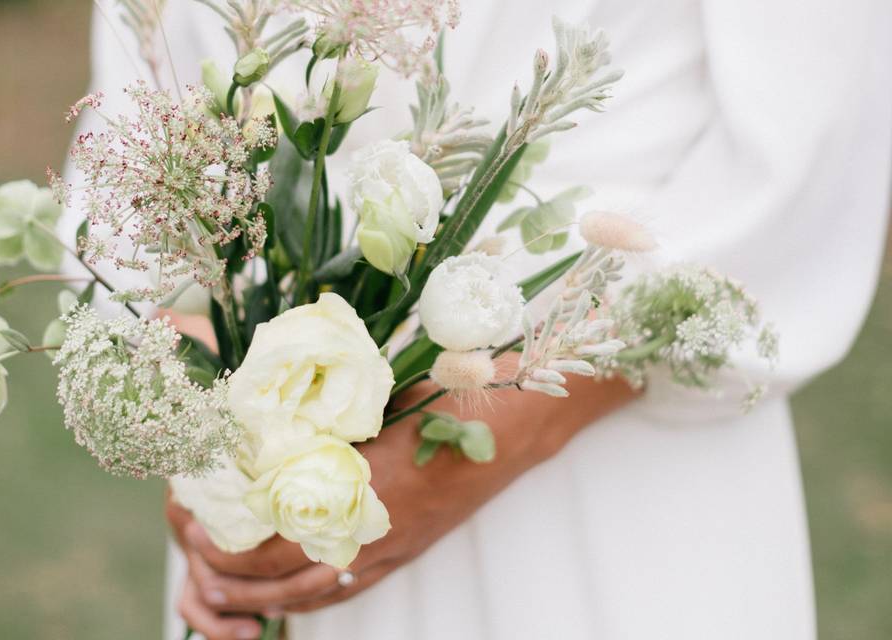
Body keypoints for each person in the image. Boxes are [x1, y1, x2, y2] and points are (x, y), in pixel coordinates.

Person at [66, 0, 892, 638]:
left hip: (608, 447)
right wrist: (207, 437)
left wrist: (494, 430)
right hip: (275, 501)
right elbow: (136, 125)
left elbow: (806, 142)